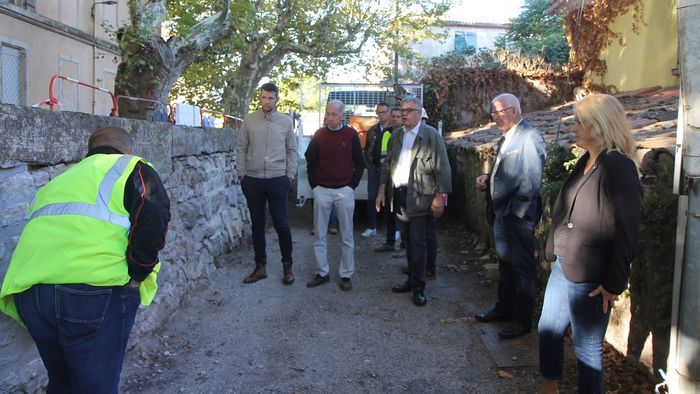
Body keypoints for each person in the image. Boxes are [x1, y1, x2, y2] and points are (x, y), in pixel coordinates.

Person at [0, 126, 171, 393]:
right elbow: (153, 217)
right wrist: (138, 276)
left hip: (31, 294)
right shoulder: (131, 166)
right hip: (91, 294)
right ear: (129, 150)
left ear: (88, 153)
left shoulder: (62, 178)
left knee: (61, 383)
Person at [538, 94, 640, 394]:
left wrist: (613, 283)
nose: (574, 127)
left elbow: (627, 230)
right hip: (563, 268)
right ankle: (549, 386)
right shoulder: (586, 159)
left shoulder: (618, 166)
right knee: (548, 330)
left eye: (579, 121)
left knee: (587, 349)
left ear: (600, 125)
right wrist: (552, 250)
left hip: (592, 279)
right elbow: (563, 209)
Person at [473, 93, 546, 339]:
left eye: (499, 112)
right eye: (493, 113)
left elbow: (532, 181)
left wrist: (517, 213)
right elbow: (505, 171)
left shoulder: (530, 137)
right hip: (501, 212)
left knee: (523, 269)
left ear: (514, 110)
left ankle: (522, 321)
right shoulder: (505, 137)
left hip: (518, 216)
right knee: (505, 265)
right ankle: (503, 310)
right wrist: (488, 179)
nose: (494, 117)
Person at [376, 97, 451, 307]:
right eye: (402, 110)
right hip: (399, 196)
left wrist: (439, 198)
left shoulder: (430, 135)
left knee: (418, 242)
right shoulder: (396, 135)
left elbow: (443, 169)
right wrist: (382, 190)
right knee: (408, 241)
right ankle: (411, 280)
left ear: (419, 113)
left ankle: (419, 288)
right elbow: (387, 164)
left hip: (421, 196)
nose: (404, 114)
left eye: (409, 110)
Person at [237, 82, 297, 285]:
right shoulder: (249, 120)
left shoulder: (286, 122)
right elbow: (241, 148)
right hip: (253, 180)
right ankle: (260, 267)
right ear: (260, 98)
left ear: (277, 99)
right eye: (263, 97)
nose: (266, 101)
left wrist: (289, 176)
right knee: (257, 226)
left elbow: (292, 150)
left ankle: (287, 266)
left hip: (278, 179)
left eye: (270, 98)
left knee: (282, 225)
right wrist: (242, 174)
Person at [305, 99, 364, 291]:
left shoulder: (351, 134)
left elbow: (359, 163)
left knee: (347, 236)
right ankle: (322, 272)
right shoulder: (319, 135)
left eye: (333, 114)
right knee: (319, 235)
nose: (329, 117)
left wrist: (351, 187)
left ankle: (346, 274)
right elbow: (310, 160)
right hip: (322, 190)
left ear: (342, 116)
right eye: (327, 114)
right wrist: (315, 186)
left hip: (344, 191)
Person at [362, 102, 392, 238]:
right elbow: (367, 148)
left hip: (390, 170)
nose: (381, 114)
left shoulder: (395, 130)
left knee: (391, 199)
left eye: (384, 112)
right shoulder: (372, 130)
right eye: (379, 112)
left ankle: (393, 229)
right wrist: (368, 165)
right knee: (371, 198)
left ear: (389, 112)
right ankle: (371, 226)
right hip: (374, 168)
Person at [375, 107, 403, 253]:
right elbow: (382, 155)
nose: (395, 119)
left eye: (398, 116)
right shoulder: (388, 134)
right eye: (393, 116)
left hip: (402, 181)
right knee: (390, 212)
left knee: (403, 214)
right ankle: (390, 241)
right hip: (388, 176)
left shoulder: (406, 134)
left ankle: (404, 245)